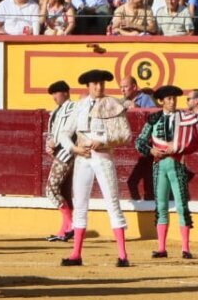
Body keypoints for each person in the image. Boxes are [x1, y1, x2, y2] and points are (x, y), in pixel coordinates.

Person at [57, 69, 132, 267]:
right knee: (80, 205)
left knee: (112, 203)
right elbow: (63, 134)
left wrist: (103, 141)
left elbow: (126, 135)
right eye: (95, 84)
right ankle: (76, 254)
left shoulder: (113, 104)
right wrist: (75, 149)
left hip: (103, 157)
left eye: (102, 84)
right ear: (88, 87)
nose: (99, 87)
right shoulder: (79, 106)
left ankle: (123, 255)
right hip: (83, 159)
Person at [135, 84, 198, 259]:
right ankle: (161, 248)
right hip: (158, 165)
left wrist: (179, 147)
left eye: (174, 98)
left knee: (181, 205)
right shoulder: (154, 119)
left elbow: (194, 143)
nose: (173, 102)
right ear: (161, 101)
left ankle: (185, 248)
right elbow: (139, 141)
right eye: (169, 99)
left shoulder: (185, 118)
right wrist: (151, 151)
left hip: (177, 164)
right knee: (161, 206)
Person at [43, 80, 78, 242]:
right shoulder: (56, 111)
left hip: (67, 152)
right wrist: (49, 145)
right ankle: (65, 230)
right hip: (59, 152)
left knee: (51, 189)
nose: (54, 97)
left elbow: (68, 131)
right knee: (63, 191)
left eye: (56, 93)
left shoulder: (73, 108)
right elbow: (53, 132)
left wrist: (55, 142)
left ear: (65, 92)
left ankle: (71, 225)